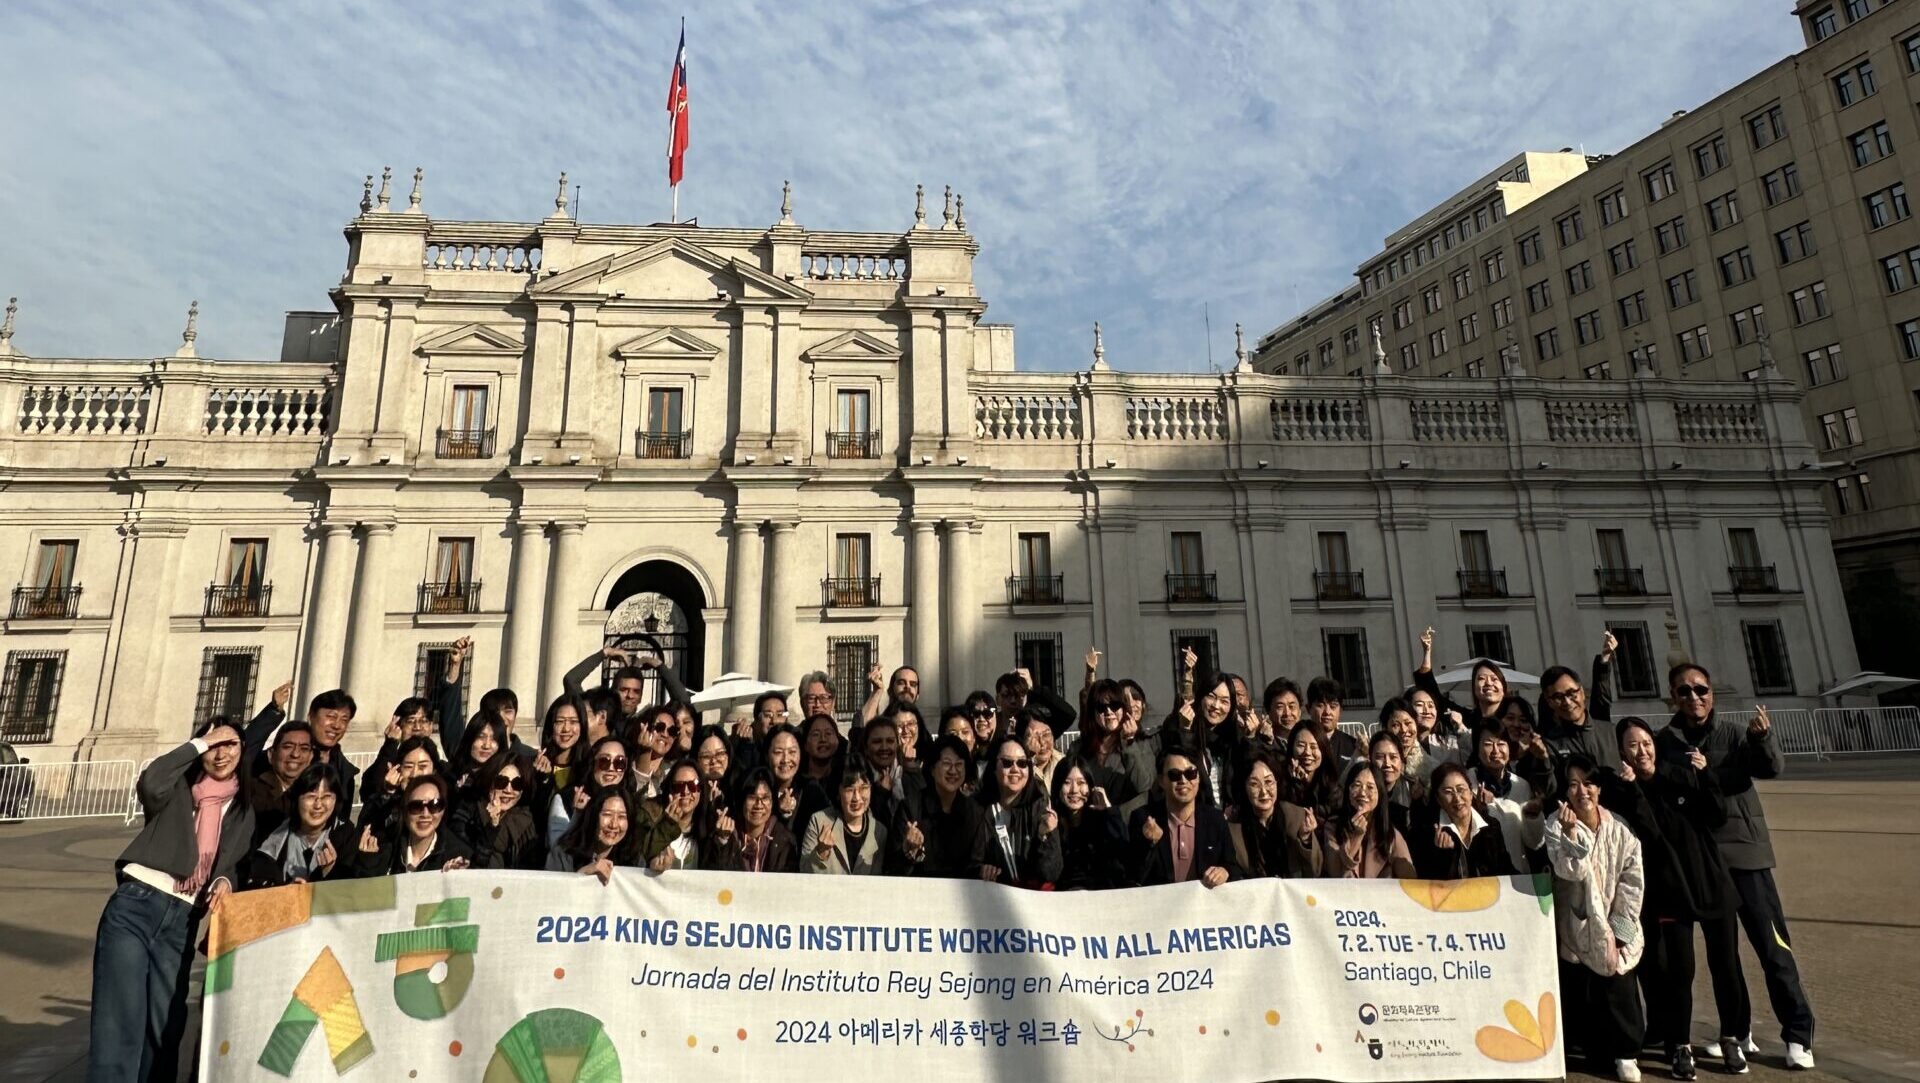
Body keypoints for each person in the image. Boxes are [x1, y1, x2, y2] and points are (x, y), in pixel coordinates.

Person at [1655, 665, 1814, 1071]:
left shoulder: (1735, 734)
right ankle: (1738, 1033)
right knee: (1725, 956)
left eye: (1701, 689)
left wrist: (1763, 738)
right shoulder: (1666, 742)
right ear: (1673, 696)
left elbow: (1769, 767)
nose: (1694, 697)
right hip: (1704, 863)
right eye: (1684, 691)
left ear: (1712, 693)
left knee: (1771, 946)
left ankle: (1798, 1033)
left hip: (1746, 855)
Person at [89, 720, 253, 1083]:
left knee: (165, 1025)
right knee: (119, 1019)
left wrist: (224, 879)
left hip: (182, 919)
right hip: (136, 903)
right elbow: (150, 780)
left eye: (230, 744)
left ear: (243, 751)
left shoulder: (242, 808)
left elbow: (232, 861)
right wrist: (198, 743)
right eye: (213, 744)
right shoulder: (177, 789)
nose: (221, 752)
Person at [1616, 717, 1747, 1081]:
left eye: (1645, 742)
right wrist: (1632, 792)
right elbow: (1650, 835)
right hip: (1671, 891)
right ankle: (1680, 1044)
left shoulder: (1682, 774)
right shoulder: (1627, 792)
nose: (1641, 751)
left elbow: (1717, 815)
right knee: (1679, 972)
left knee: (1726, 966)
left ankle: (1732, 1037)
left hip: (1711, 881)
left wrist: (1706, 776)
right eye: (1632, 745)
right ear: (1621, 753)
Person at [1545, 756, 1646, 1082]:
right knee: (1584, 992)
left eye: (1587, 783)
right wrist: (1572, 833)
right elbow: (1570, 871)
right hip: (1577, 923)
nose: (1581, 791)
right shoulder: (1554, 825)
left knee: (1619, 985)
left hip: (1615, 923)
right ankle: (1595, 1051)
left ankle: (1627, 1052)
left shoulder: (1621, 830)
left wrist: (1620, 932)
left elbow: (1633, 884)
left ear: (1599, 789)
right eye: (1572, 784)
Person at [1127, 749, 1235, 887]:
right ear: (1161, 781)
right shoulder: (1142, 818)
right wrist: (1151, 845)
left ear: (1198, 777)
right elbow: (1133, 878)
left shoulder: (1215, 819)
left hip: (1204, 906)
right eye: (1174, 775)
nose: (1183, 781)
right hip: (1160, 906)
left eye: (1190, 773)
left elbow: (1232, 866)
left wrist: (1225, 872)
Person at [238, 765, 356, 890]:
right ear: (297, 798)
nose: (318, 805)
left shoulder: (347, 835)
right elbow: (256, 885)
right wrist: (285, 890)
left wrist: (329, 871)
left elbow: (352, 890)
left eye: (326, 797)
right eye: (311, 796)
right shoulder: (274, 834)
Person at [244, 685, 359, 811]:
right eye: (331, 716)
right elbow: (245, 753)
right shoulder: (287, 756)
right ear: (311, 717)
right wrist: (273, 712)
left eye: (344, 719)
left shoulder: (345, 772)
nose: (337, 725)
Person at [891, 735, 989, 878]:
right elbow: (893, 867)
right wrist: (908, 851)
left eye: (959, 764)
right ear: (932, 769)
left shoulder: (975, 812)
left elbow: (976, 864)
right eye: (947, 763)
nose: (953, 771)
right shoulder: (910, 807)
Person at [975, 738, 1064, 888]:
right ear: (994, 768)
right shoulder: (979, 810)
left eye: (1022, 763)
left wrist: (1046, 837)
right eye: (1007, 763)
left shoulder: (1040, 808)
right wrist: (980, 870)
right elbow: (968, 864)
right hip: (991, 900)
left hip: (1032, 903)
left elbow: (1051, 873)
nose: (1015, 769)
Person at [345, 773, 472, 877]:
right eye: (416, 807)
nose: (425, 814)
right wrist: (367, 865)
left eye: (435, 805)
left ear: (443, 809)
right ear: (404, 811)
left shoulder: (459, 856)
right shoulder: (383, 849)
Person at [1464, 722, 1547, 872]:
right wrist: (1478, 809)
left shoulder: (1521, 785)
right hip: (1482, 877)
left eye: (1501, 744)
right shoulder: (1466, 783)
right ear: (1477, 749)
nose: (1495, 750)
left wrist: (1533, 816)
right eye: (1488, 744)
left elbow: (1534, 843)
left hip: (1518, 877)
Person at [1413, 762, 1517, 879]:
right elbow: (1426, 882)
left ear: (1471, 793)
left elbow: (1506, 870)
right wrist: (1443, 855)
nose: (1457, 798)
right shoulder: (1428, 832)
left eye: (1461, 789)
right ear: (1438, 799)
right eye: (1448, 792)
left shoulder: (1491, 826)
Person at [1227, 750, 1320, 878]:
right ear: (1244, 788)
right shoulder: (1234, 828)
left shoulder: (1297, 817)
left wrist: (1305, 839)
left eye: (1268, 782)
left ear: (1277, 782)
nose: (1264, 792)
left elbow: (1315, 871)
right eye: (1254, 784)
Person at [1539, 631, 1622, 772]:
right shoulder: (1550, 744)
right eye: (1558, 697)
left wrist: (1604, 660)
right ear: (1549, 701)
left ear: (1582, 692)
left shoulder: (1610, 732)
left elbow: (1602, 698)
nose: (1567, 701)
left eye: (1572, 693)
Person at [1319, 760, 1414, 878]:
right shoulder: (1333, 826)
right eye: (1357, 785)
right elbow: (1336, 873)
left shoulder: (1389, 834)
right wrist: (1356, 837)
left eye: (1370, 787)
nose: (1363, 793)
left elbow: (1409, 879)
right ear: (1348, 790)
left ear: (1380, 794)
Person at [447, 753, 541, 870]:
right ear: (489, 781)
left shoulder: (526, 822)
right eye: (501, 782)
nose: (508, 790)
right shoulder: (468, 811)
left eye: (517, 784)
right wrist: (492, 827)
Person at [1411, 626, 1508, 735]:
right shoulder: (1466, 719)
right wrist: (1427, 653)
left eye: (1494, 679)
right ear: (1474, 687)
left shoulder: (1514, 718)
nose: (1489, 683)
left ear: (1504, 687)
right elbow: (1433, 694)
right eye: (1481, 678)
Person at [546, 735, 637, 850]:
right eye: (604, 761)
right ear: (593, 763)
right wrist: (578, 816)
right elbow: (557, 849)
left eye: (619, 763)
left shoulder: (630, 801)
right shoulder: (565, 799)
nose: (611, 768)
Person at [1050, 761, 1129, 890]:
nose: (1074, 790)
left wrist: (1109, 812)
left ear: (1090, 786)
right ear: (1057, 786)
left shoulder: (1102, 820)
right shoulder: (1050, 822)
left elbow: (1122, 856)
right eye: (1067, 782)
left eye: (1081, 783)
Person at [802, 759, 889, 875]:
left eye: (864, 788)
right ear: (838, 792)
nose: (857, 798)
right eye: (850, 789)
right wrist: (820, 853)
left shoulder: (879, 831)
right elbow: (803, 873)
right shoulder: (819, 821)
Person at [706, 769, 800, 873]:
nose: (759, 805)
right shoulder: (726, 835)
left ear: (773, 802)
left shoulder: (785, 840)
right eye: (752, 797)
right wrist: (722, 842)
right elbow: (714, 878)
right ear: (741, 800)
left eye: (765, 798)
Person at [547, 786, 646, 881]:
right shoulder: (563, 854)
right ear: (592, 816)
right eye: (607, 814)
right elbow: (551, 893)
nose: (614, 825)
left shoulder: (634, 858)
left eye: (621, 817)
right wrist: (581, 875)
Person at [243, 721, 315, 843]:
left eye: (304, 749)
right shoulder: (250, 791)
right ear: (271, 755)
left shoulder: (316, 796)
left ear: (310, 758)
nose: (295, 754)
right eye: (287, 747)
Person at [528, 693, 587, 839]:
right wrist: (543, 779)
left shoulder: (588, 767)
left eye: (573, 722)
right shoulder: (535, 764)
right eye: (560, 721)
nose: (566, 729)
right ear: (551, 726)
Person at [357, 736, 444, 831]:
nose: (414, 774)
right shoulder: (387, 800)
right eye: (408, 766)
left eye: (422, 766)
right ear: (398, 769)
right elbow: (365, 827)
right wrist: (387, 793)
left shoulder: (441, 803)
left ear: (434, 770)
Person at [1367, 729, 1423, 837]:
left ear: (1402, 762)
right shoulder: (1363, 791)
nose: (1387, 764)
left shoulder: (1412, 790)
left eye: (1393, 757)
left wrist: (1417, 803)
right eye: (1379, 757)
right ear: (1370, 759)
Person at [653, 761, 704, 870]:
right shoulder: (654, 827)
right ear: (670, 791)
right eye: (679, 787)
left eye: (692, 786)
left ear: (701, 791)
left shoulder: (707, 833)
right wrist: (667, 827)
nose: (685, 792)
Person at [1280, 722, 1336, 817]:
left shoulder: (1331, 785)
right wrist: (1297, 785)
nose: (1307, 752)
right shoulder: (1280, 781)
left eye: (1314, 747)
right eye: (1301, 745)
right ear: (1291, 748)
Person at [1305, 677, 1361, 765]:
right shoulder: (1300, 743)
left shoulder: (1352, 746)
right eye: (1321, 705)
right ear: (1308, 708)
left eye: (1333, 706)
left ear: (1341, 710)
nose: (1327, 712)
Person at [446, 711, 506, 789]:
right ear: (470, 739)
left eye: (494, 739)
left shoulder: (506, 780)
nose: (487, 745)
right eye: (481, 737)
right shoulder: (450, 777)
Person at [857, 664, 922, 723]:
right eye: (901, 683)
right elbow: (861, 730)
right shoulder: (882, 725)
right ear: (890, 690)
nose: (907, 687)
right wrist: (877, 691)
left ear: (918, 695)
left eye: (913, 684)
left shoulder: (922, 730)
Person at [798, 712, 845, 786]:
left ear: (837, 740)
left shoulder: (845, 779)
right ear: (805, 744)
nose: (823, 739)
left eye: (828, 733)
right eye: (816, 734)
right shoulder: (796, 783)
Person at [1261, 677, 1304, 743]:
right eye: (1280, 707)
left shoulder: (1311, 743)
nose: (1287, 713)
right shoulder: (1261, 744)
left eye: (1292, 706)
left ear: (1300, 711)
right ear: (1268, 711)